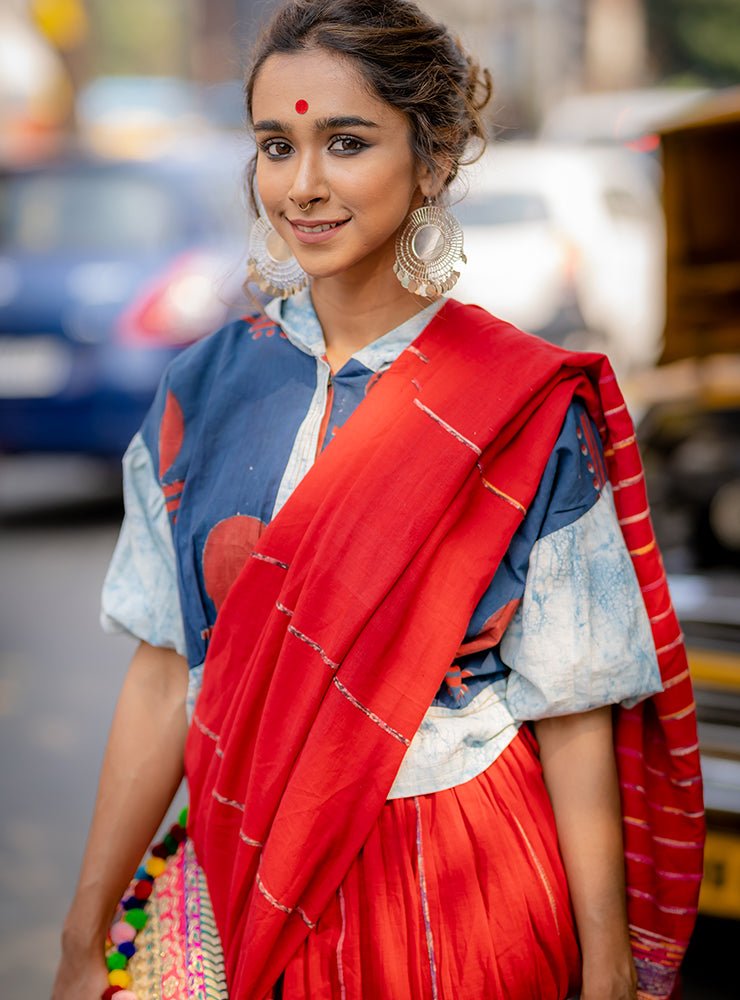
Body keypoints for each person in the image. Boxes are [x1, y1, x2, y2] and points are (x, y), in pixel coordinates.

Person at [52, 2, 703, 999]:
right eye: (277, 145)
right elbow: (161, 673)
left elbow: (571, 711)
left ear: (433, 157)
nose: (302, 184)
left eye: (344, 142)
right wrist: (84, 928)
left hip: (458, 889)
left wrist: (606, 973)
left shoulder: (516, 404)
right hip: (242, 861)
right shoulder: (203, 391)